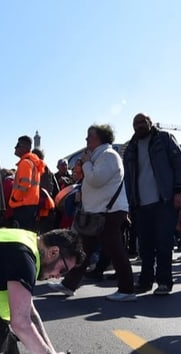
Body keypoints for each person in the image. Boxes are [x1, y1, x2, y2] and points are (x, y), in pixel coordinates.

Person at [47, 124, 136, 301]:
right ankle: (69, 285)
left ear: (98, 138)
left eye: (89, 137)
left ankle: (127, 289)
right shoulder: (101, 157)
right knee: (84, 250)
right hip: (98, 213)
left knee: (115, 250)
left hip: (108, 213)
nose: (86, 140)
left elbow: (96, 180)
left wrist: (86, 163)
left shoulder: (108, 156)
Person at [122, 113, 181, 295]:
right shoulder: (130, 148)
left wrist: (178, 191)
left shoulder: (164, 139)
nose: (139, 125)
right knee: (145, 246)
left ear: (150, 123)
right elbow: (127, 178)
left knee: (164, 244)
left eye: (143, 122)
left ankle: (164, 282)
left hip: (164, 201)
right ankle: (145, 281)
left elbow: (180, 165)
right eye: (136, 123)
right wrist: (129, 203)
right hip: (141, 204)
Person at [8, 135, 44, 231]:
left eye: (17, 145)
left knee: (20, 235)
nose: (15, 148)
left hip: (23, 206)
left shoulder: (25, 163)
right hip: (31, 206)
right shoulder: (33, 163)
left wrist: (15, 198)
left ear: (24, 147)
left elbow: (24, 185)